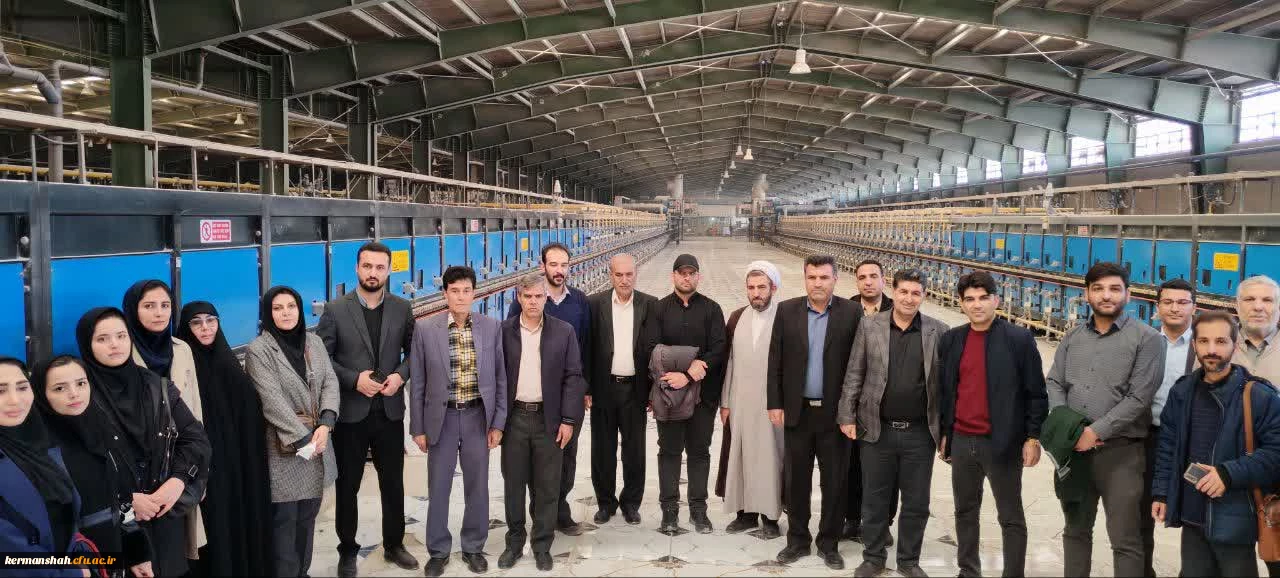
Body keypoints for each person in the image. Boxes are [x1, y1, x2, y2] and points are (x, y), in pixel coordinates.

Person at [1045, 262, 1165, 578]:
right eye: (1098, 289)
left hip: (1121, 455)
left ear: (1128, 294)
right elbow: (1054, 382)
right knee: (1075, 530)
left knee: (1125, 539)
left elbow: (1139, 398)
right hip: (1073, 453)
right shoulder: (1073, 336)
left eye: (1114, 289)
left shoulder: (1148, 339)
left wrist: (1095, 431)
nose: (1106, 295)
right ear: (1086, 294)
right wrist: (1067, 426)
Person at [76, 307, 211, 578]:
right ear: (87, 345)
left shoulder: (156, 386)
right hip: (116, 529)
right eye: (102, 339)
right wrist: (125, 502)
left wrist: (177, 481)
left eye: (121, 336)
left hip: (164, 515)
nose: (114, 344)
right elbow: (77, 466)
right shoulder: (79, 396)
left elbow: (195, 438)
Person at [316, 242, 418, 576]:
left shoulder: (402, 308)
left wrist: (400, 376)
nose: (373, 273)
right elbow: (322, 359)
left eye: (379, 267)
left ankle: (394, 544)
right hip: (351, 414)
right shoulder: (335, 310)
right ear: (357, 268)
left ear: (389, 270)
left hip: (389, 411)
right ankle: (347, 550)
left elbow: (414, 353)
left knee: (393, 483)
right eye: (367, 266)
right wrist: (353, 379)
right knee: (348, 486)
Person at [1152, 310, 1280, 577]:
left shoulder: (1259, 395)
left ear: (1235, 345)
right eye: (1204, 341)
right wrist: (1162, 492)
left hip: (1236, 516)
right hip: (1191, 512)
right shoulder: (1182, 391)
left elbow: (1275, 452)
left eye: (1221, 341)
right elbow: (1168, 445)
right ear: (1194, 344)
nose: (1211, 349)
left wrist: (1228, 473)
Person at [936, 271, 1047, 578]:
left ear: (996, 300)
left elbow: (1036, 393)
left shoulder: (1019, 339)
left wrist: (1032, 437)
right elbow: (948, 391)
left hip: (1003, 442)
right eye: (970, 299)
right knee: (965, 511)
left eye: (984, 298)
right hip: (962, 440)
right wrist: (946, 433)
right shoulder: (952, 339)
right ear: (961, 303)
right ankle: (968, 570)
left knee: (1010, 516)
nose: (977, 305)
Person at [839, 268, 947, 578]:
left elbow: (946, 386)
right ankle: (873, 558)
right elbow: (855, 372)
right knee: (874, 499)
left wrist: (946, 431)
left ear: (924, 296)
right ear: (894, 292)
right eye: (904, 292)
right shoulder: (869, 326)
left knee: (916, 502)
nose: (909, 299)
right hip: (877, 429)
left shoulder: (938, 331)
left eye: (916, 293)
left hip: (919, 434)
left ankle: (909, 561)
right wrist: (847, 415)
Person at [410, 266, 507, 577]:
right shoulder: (426, 329)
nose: (461, 297)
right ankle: (438, 551)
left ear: (474, 293)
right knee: (438, 487)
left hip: (478, 416)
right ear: (445, 294)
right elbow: (418, 382)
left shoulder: (491, 327)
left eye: (466, 291)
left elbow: (501, 378)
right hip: (443, 418)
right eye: (454, 291)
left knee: (477, 486)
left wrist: (498, 423)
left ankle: (473, 547)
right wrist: (418, 428)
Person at [769, 256, 859, 569]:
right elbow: (775, 360)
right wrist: (775, 402)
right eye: (812, 277)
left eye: (823, 277)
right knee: (796, 481)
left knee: (835, 482)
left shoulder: (851, 312)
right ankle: (797, 540)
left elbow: (858, 364)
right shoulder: (787, 311)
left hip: (835, 415)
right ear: (805, 278)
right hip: (798, 412)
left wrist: (852, 411)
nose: (817, 283)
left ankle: (829, 543)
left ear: (835, 279)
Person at [245, 286, 340, 578]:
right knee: (284, 522)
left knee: (308, 518)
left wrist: (326, 423)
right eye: (277, 308)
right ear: (267, 314)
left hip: (319, 441)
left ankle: (302, 572)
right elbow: (271, 400)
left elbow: (330, 382)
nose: (286, 313)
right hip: (285, 450)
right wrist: (305, 440)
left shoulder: (314, 342)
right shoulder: (259, 350)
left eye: (291, 306)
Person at [33, 356, 156, 578]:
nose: (74, 393)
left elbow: (120, 499)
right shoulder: (39, 450)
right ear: (41, 394)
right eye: (60, 388)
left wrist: (136, 554)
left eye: (81, 383)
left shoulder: (100, 430)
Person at [175, 302, 274, 577]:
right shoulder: (183, 368)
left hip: (240, 464)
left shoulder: (228, 362)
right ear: (186, 328)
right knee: (214, 527)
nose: (205, 328)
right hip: (207, 467)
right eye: (196, 322)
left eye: (211, 320)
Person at [497, 273, 587, 572]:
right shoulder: (504, 331)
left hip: (549, 419)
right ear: (518, 297)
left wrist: (568, 420)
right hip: (515, 419)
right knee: (514, 485)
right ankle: (513, 544)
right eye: (527, 297)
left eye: (538, 296)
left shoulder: (563, 331)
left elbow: (573, 377)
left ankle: (542, 545)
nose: (533, 302)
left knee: (547, 486)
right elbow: (495, 377)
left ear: (546, 297)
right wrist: (496, 422)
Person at [121, 279, 207, 565]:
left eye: (165, 305)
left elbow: (195, 408)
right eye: (149, 306)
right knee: (142, 553)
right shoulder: (123, 352)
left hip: (180, 461)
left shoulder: (181, 348)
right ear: (132, 310)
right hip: (142, 468)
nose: (159, 312)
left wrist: (198, 469)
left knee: (176, 552)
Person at [508, 242, 590, 535]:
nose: (559, 270)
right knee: (539, 459)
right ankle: (541, 512)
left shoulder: (579, 301)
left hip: (569, 393)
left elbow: (587, 345)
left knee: (567, 456)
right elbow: (511, 346)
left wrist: (586, 389)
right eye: (553, 264)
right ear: (542, 266)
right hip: (538, 396)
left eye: (564, 265)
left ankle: (560, 510)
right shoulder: (526, 301)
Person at [642, 254, 727, 534]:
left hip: (703, 397)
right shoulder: (658, 309)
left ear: (698, 276)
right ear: (674, 276)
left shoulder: (712, 309)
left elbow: (719, 349)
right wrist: (683, 370)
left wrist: (692, 372)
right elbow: (652, 349)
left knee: (699, 452)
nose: (686, 277)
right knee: (669, 451)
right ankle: (669, 511)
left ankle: (699, 510)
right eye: (682, 273)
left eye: (691, 273)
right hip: (669, 394)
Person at [0, 357, 92, 578]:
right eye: (0, 391)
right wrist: (73, 574)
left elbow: (68, 522)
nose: (15, 400)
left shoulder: (41, 445)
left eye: (22, 387)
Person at [586, 254, 656, 526]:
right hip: (604, 388)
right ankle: (605, 503)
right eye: (619, 275)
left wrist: (653, 391)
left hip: (635, 389)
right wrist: (587, 387)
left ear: (635, 274)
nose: (624, 280)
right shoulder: (595, 304)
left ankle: (631, 504)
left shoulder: (650, 304)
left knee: (634, 451)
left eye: (629, 274)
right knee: (602, 450)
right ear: (610, 275)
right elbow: (587, 346)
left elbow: (656, 350)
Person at [721, 261, 784, 538]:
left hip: (773, 403)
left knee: (770, 458)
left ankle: (770, 517)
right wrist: (725, 402)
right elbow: (729, 362)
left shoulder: (784, 317)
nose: (756, 293)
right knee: (741, 455)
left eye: (762, 287)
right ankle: (744, 514)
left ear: (773, 288)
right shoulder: (736, 318)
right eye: (751, 287)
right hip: (740, 401)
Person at [1142, 278, 1198, 576]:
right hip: (1148, 438)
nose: (1175, 308)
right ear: (1157, 307)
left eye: (1182, 302)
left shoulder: (1204, 346)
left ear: (1194, 307)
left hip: (1193, 443)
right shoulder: (1145, 343)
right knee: (1141, 514)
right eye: (1168, 302)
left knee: (1196, 518)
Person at [1232, 274, 1280, 578]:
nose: (1259, 306)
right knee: (1230, 561)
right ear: (1237, 306)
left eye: (1267, 300)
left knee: (1277, 558)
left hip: (1277, 473)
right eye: (1250, 299)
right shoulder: (1217, 344)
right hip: (1228, 472)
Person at [846, 258, 894, 542]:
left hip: (884, 403)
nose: (868, 282)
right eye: (862, 277)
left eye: (873, 276)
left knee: (886, 469)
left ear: (883, 280)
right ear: (856, 281)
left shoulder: (896, 310)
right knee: (852, 465)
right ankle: (852, 519)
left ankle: (883, 523)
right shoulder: (847, 310)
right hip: (854, 401)